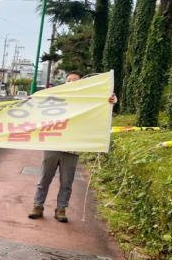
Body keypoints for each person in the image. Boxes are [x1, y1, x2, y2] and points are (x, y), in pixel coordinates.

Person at [28, 71, 117, 223]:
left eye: (75, 80)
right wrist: (33, 100)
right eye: (68, 80)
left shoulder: (86, 100)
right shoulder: (57, 96)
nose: (71, 82)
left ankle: (61, 209)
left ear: (81, 82)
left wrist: (111, 100)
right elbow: (40, 103)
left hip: (72, 147)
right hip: (52, 144)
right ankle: (38, 206)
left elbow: (103, 104)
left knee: (66, 182)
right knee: (44, 178)